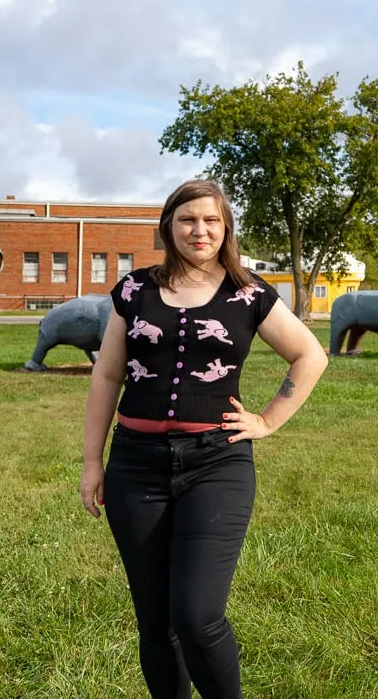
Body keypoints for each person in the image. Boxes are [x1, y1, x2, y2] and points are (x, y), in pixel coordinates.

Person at [81, 178, 327, 699]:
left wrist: (268, 420)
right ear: (169, 226)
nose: (200, 230)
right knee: (155, 620)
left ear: (226, 228)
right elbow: (106, 376)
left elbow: (310, 355)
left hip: (216, 465)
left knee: (196, 615)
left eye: (212, 220)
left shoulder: (249, 291)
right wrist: (91, 462)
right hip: (135, 466)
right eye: (189, 219)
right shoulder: (134, 291)